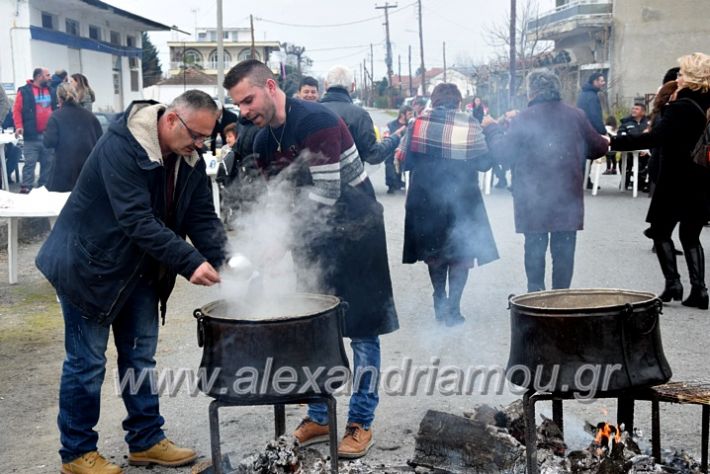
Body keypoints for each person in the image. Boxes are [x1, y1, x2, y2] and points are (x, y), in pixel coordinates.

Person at [35, 89, 227, 473]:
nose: (201, 145)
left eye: (207, 138)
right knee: (86, 362)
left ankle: (145, 440)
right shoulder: (121, 146)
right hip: (86, 265)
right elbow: (136, 219)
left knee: (140, 357)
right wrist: (190, 263)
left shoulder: (188, 157)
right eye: (196, 135)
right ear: (172, 119)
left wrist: (231, 261)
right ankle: (75, 453)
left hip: (139, 268)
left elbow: (202, 219)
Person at [224, 59, 398, 459]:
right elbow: (280, 198)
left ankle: (360, 421)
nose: (244, 112)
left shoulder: (316, 119)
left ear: (270, 86)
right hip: (312, 235)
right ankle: (319, 414)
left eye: (248, 100)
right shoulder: (263, 140)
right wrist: (266, 238)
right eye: (238, 105)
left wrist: (282, 241)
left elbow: (327, 193)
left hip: (357, 229)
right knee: (316, 324)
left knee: (362, 330)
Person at [485, 69, 609, 292]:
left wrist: (492, 128)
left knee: (534, 248)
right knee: (564, 251)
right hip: (567, 197)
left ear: (532, 91)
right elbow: (598, 147)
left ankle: (535, 299)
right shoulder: (576, 115)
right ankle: (560, 299)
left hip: (533, 199)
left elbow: (503, 153)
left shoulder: (523, 118)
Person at [611, 52, 710, 309]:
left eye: (681, 73)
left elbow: (654, 138)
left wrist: (612, 141)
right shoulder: (705, 105)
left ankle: (673, 283)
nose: (677, 77)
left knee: (660, 231)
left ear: (691, 76)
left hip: (676, 179)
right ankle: (699, 290)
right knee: (691, 235)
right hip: (701, 178)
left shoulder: (681, 107)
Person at [397, 83, 498, 325]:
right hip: (462, 199)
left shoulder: (417, 123)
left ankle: (439, 298)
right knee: (461, 253)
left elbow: (405, 162)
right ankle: (454, 307)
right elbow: (485, 163)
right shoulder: (470, 123)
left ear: (434, 101)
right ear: (458, 102)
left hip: (425, 200)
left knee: (435, 252)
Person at [320, 65, 402, 165]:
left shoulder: (310, 112)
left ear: (325, 85)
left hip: (312, 178)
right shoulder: (359, 115)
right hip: (350, 178)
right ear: (353, 87)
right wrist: (394, 138)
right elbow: (373, 155)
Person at [42, 83, 102, 192]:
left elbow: (49, 142)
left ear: (59, 99)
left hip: (64, 169)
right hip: (88, 168)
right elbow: (100, 141)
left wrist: (45, 133)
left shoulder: (56, 116)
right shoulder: (90, 116)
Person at [12, 67, 57, 193]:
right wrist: (19, 126)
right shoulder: (24, 91)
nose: (50, 77)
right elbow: (17, 110)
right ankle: (26, 188)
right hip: (31, 137)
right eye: (47, 75)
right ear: (39, 77)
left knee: (48, 164)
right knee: (29, 164)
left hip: (48, 136)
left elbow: (56, 111)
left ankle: (44, 189)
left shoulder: (52, 91)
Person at [619, 102, 650, 190]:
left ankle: (641, 182)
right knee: (625, 158)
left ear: (643, 112)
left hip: (644, 151)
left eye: (637, 109)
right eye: (633, 108)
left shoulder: (649, 124)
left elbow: (653, 137)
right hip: (629, 150)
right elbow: (620, 136)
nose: (634, 110)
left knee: (648, 159)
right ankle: (625, 180)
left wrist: (647, 149)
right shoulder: (626, 123)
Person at [384, 105, 411, 193]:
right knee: (389, 160)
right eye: (409, 114)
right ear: (402, 115)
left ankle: (408, 183)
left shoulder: (412, 125)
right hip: (393, 149)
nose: (411, 116)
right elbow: (386, 137)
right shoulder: (390, 125)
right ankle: (391, 184)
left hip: (406, 150)